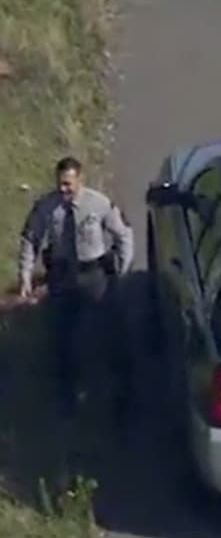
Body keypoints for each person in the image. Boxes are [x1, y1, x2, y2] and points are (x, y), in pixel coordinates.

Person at [17, 156, 134, 415]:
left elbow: (123, 234)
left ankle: (113, 392)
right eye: (60, 184)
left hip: (93, 275)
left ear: (80, 180)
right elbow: (30, 238)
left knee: (105, 331)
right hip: (61, 276)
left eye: (68, 184)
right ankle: (67, 394)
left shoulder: (99, 204)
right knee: (61, 335)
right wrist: (25, 275)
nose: (63, 190)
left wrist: (121, 271)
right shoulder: (47, 206)